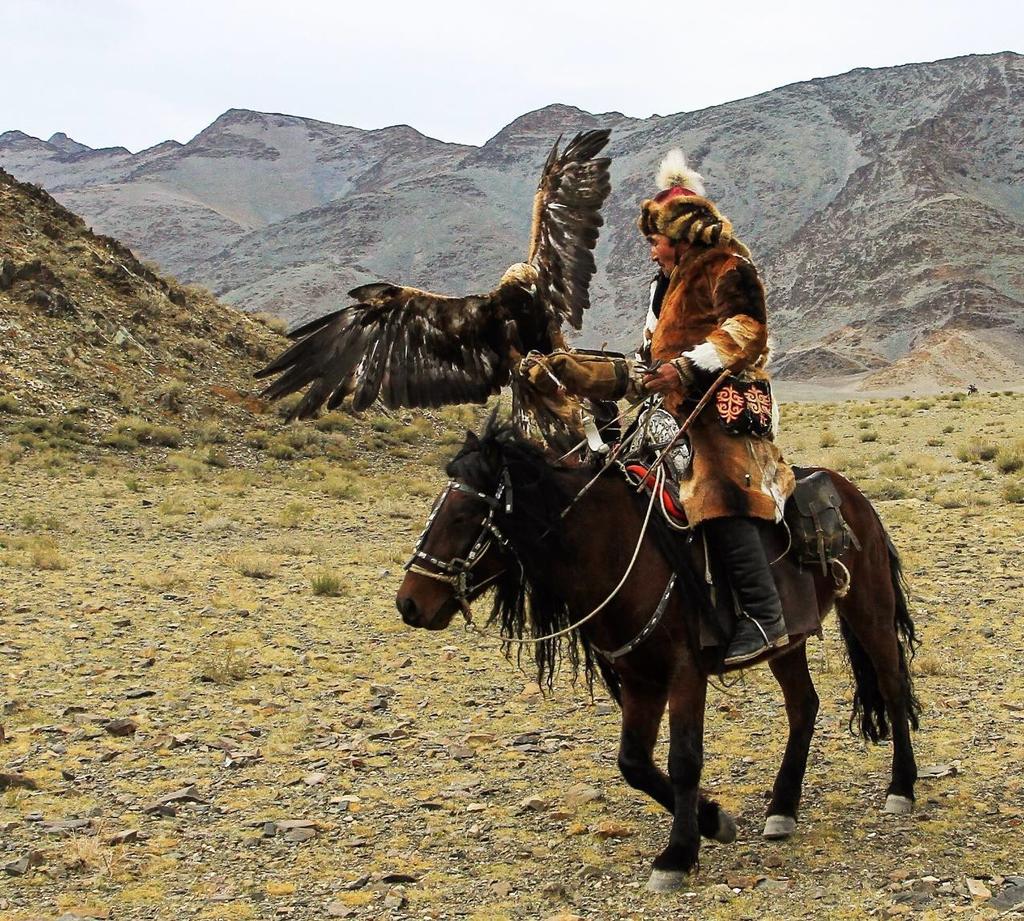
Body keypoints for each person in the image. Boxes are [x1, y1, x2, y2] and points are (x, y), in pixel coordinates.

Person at [637, 150, 795, 666]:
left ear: (680, 236)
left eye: (657, 240)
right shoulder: (665, 286)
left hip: (724, 408)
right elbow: (651, 350)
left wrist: (683, 368)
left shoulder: (731, 268)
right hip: (674, 408)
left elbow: (746, 331)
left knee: (712, 490)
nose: (653, 251)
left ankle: (763, 617)